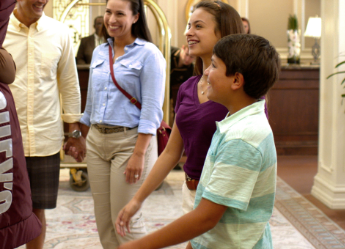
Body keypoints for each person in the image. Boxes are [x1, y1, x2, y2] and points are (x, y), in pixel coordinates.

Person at [116, 33, 280, 249]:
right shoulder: (237, 120)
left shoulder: (242, 138)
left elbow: (205, 218)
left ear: (237, 80)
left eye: (214, 66)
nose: (207, 73)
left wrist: (138, 246)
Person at [115, 1, 244, 228]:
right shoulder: (188, 87)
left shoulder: (239, 87)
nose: (188, 32)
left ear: (223, 33)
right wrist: (137, 200)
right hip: (191, 192)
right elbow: (171, 153)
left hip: (226, 197)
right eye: (188, 25)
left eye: (198, 26)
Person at [3, 0, 84, 249]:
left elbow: (69, 84)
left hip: (45, 140)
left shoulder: (59, 33)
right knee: (1, 211)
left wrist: (73, 131)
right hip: (3, 139)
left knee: (37, 211)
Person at [79, 0, 165, 249]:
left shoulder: (149, 54)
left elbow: (152, 110)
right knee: (104, 222)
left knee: (125, 221)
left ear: (135, 17)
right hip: (96, 143)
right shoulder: (98, 52)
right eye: (108, 12)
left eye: (120, 14)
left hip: (129, 144)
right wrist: (78, 136)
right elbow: (91, 104)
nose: (111, 20)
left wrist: (140, 153)